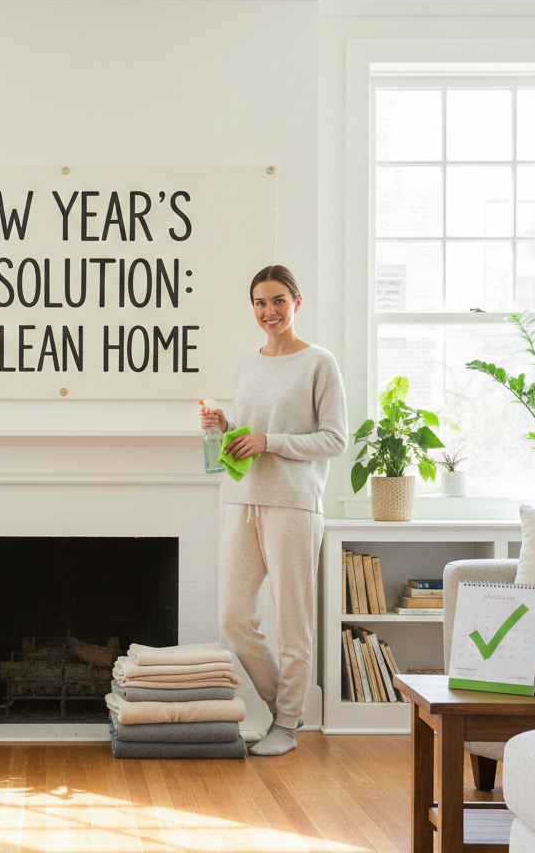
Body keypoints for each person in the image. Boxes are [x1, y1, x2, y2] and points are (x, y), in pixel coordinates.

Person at [199, 264, 347, 756]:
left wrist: (270, 441)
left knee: (292, 620)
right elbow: (250, 434)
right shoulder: (246, 365)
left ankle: (285, 726)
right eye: (260, 303)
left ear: (297, 303)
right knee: (233, 616)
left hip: (294, 505)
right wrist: (226, 426)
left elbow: (334, 439)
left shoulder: (319, 362)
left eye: (279, 301)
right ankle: (284, 705)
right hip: (242, 500)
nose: (269, 311)